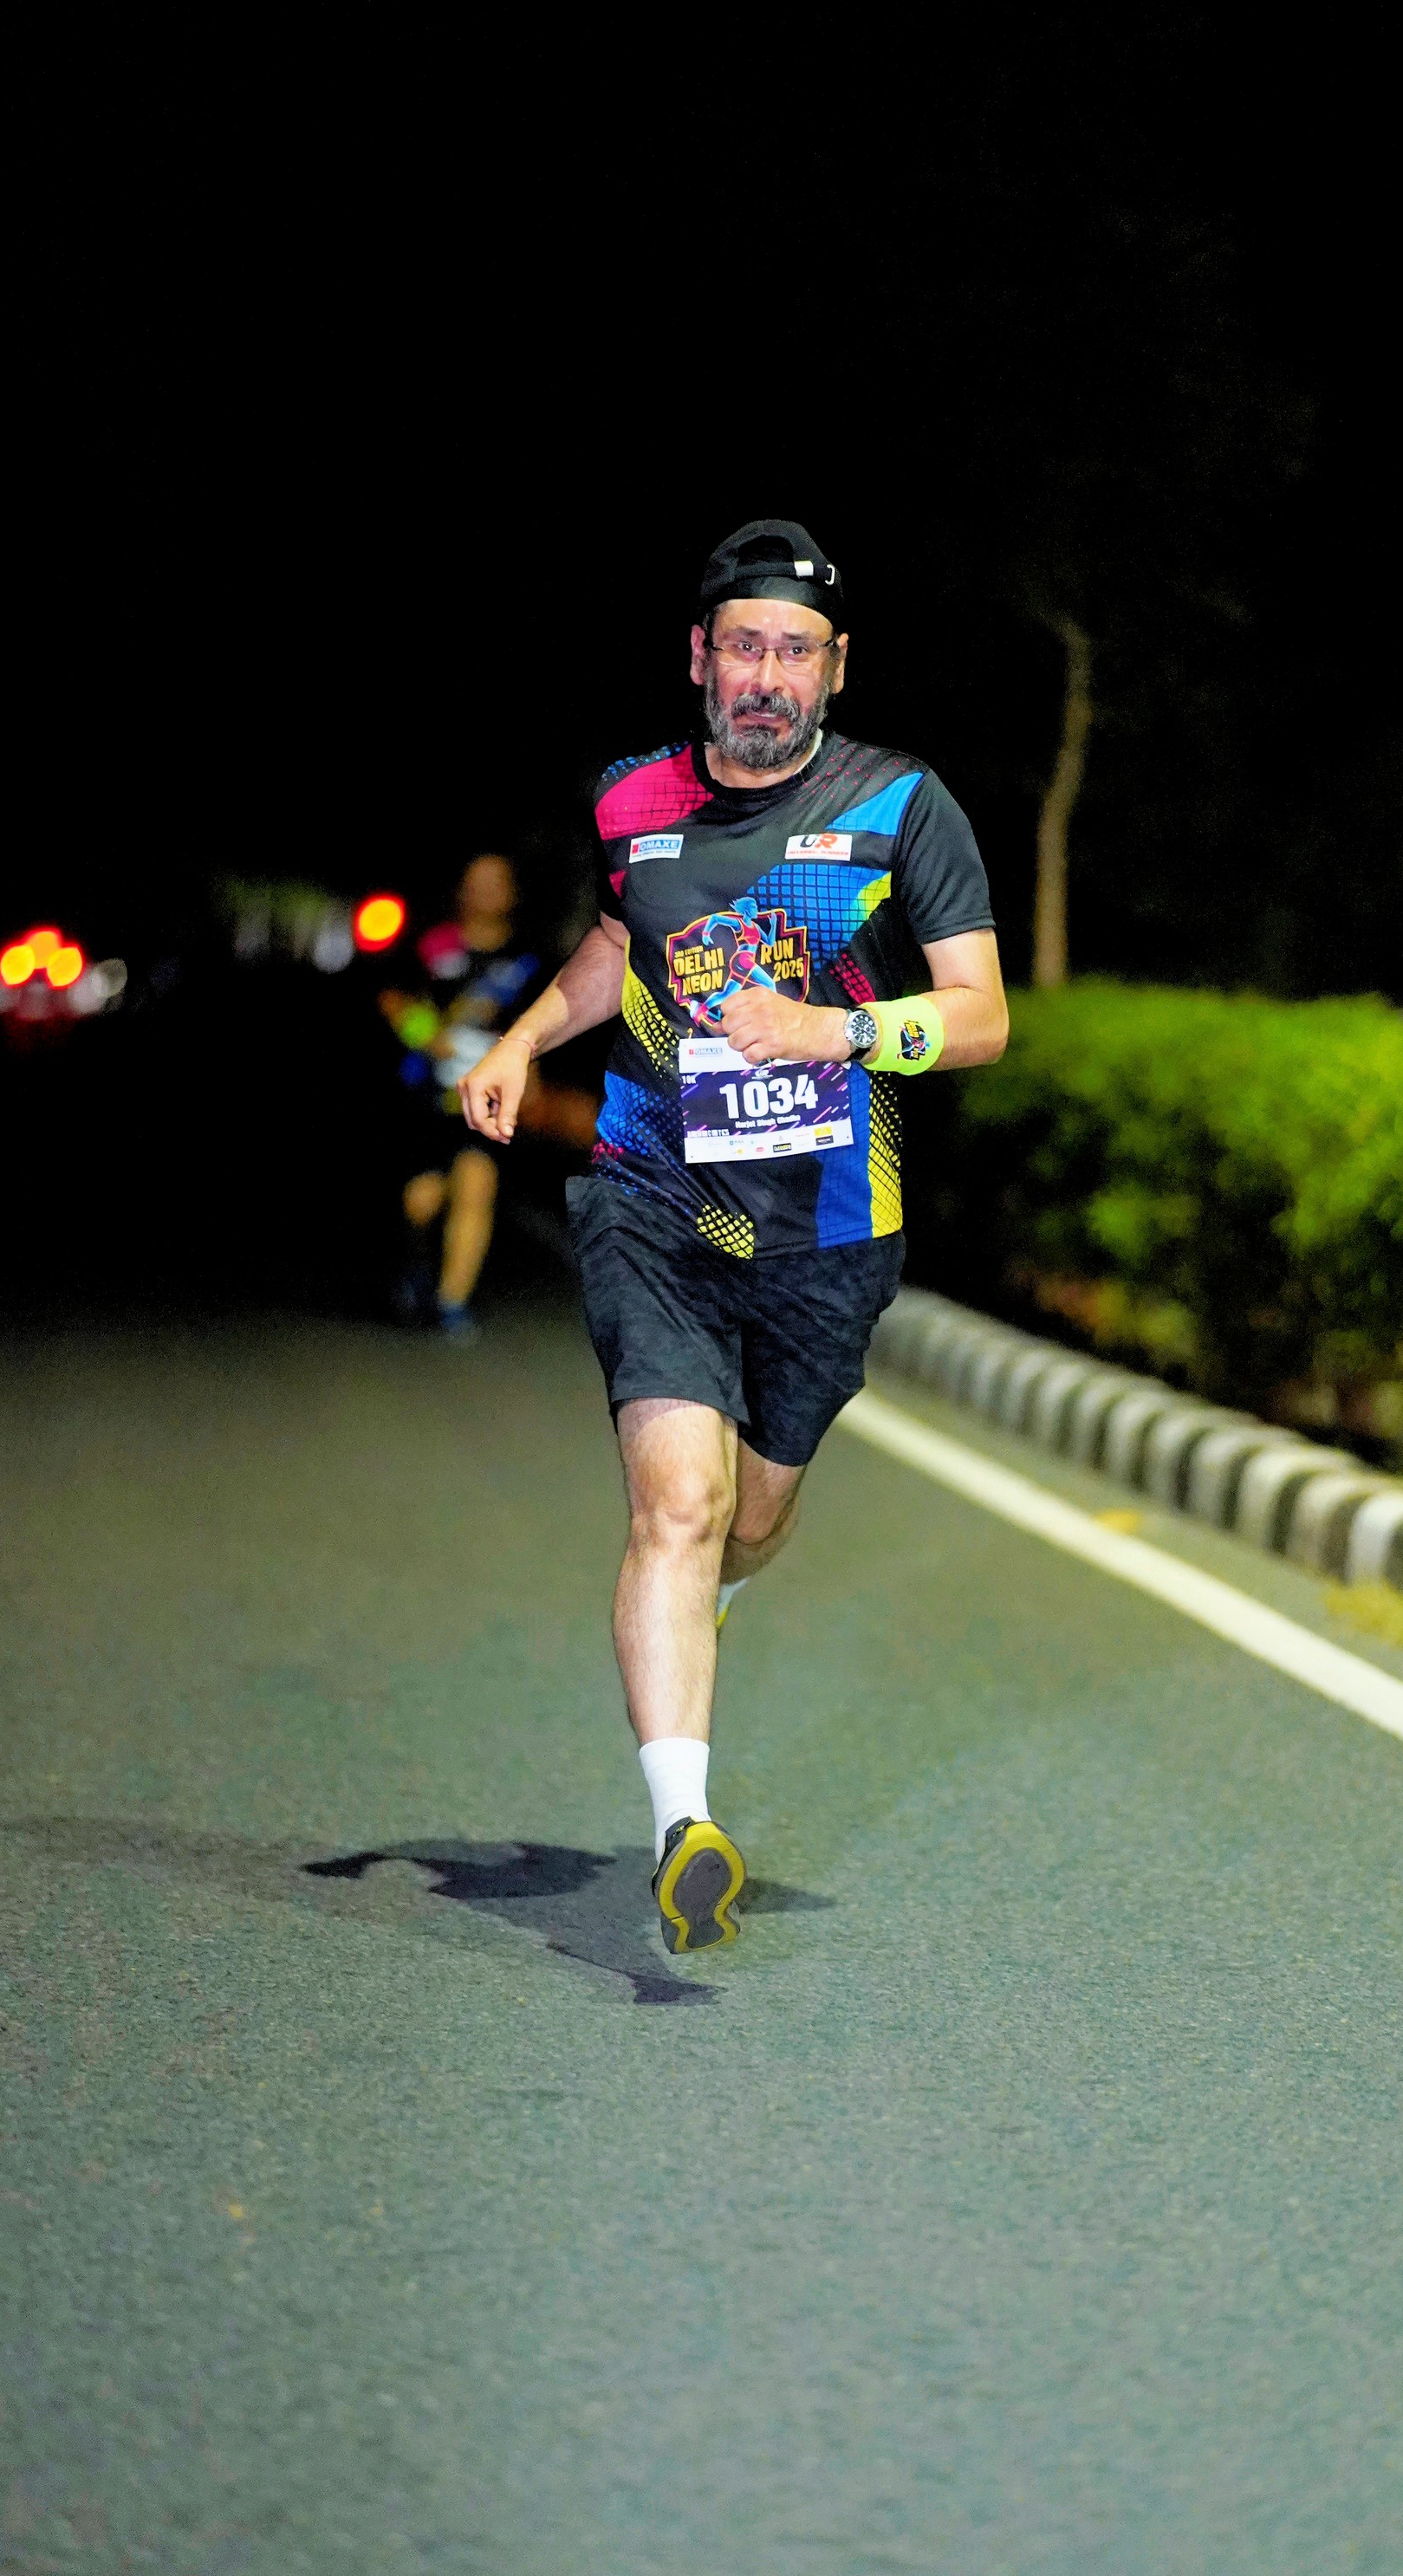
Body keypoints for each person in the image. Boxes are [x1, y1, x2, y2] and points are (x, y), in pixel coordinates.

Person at [462, 521, 1007, 1951]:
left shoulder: (901, 806)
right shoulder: (630, 798)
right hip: (652, 1200)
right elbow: (618, 943)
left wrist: (836, 1031)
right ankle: (685, 1828)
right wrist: (524, 1038)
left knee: (749, 1522)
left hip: (831, 1224)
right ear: (699, 657)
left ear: (836, 668)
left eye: (797, 652)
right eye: (745, 646)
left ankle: (712, 1605)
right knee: (677, 1507)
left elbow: (980, 1017)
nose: (768, 675)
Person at [380, 853, 539, 1340]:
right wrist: (428, 1035)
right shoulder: (435, 944)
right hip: (429, 1093)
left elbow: (546, 1021)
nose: (486, 892)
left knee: (476, 1184)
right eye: (476, 882)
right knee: (422, 1199)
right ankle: (413, 1270)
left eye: (497, 883)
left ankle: (451, 1302)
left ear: (513, 892)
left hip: (489, 1097)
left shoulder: (528, 958)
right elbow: (393, 998)